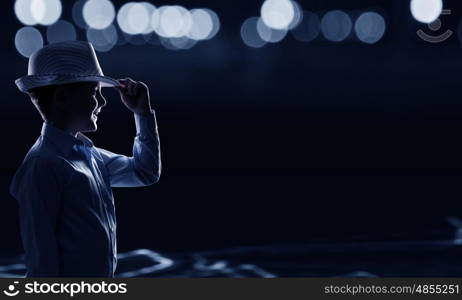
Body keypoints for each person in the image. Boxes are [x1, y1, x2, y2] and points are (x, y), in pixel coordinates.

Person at [10, 40, 161, 277]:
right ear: (61, 98)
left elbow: (145, 172)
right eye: (94, 92)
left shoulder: (90, 156)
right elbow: (42, 262)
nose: (102, 102)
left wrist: (142, 114)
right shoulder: (42, 166)